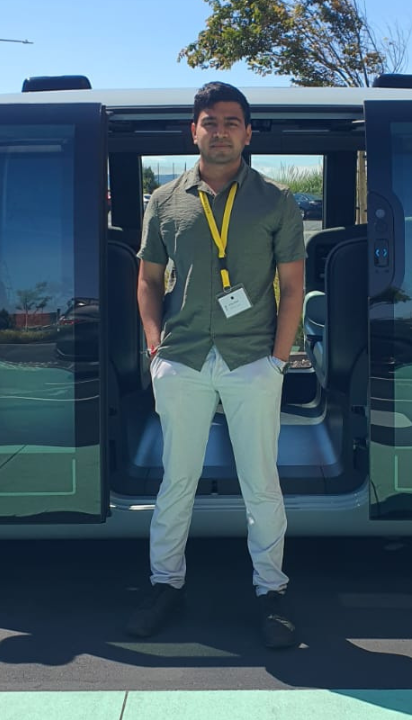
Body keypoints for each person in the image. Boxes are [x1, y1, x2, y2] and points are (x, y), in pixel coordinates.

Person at [127, 82, 306, 649]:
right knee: (176, 482)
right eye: (211, 121)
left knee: (261, 483)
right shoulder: (165, 200)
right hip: (181, 360)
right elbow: (148, 281)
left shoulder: (276, 200)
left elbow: (294, 288)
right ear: (194, 131)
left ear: (248, 133)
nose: (221, 131)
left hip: (251, 359)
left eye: (232, 122)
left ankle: (271, 593)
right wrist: (154, 347)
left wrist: (278, 361)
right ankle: (165, 585)